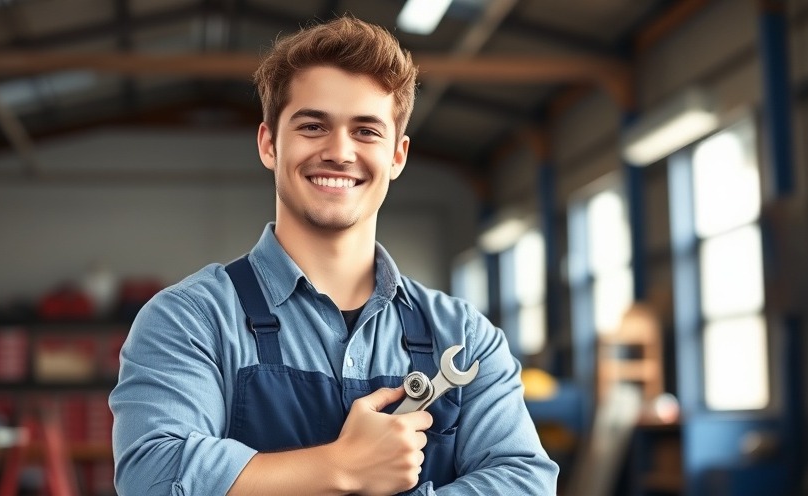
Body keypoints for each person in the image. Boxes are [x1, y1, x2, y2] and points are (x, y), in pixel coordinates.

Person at [110, 15, 558, 496]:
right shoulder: (190, 320)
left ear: (398, 155)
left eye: (366, 131)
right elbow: (153, 477)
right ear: (269, 144)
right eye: (313, 126)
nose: (340, 152)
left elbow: (524, 481)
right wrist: (342, 467)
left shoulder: (466, 337)